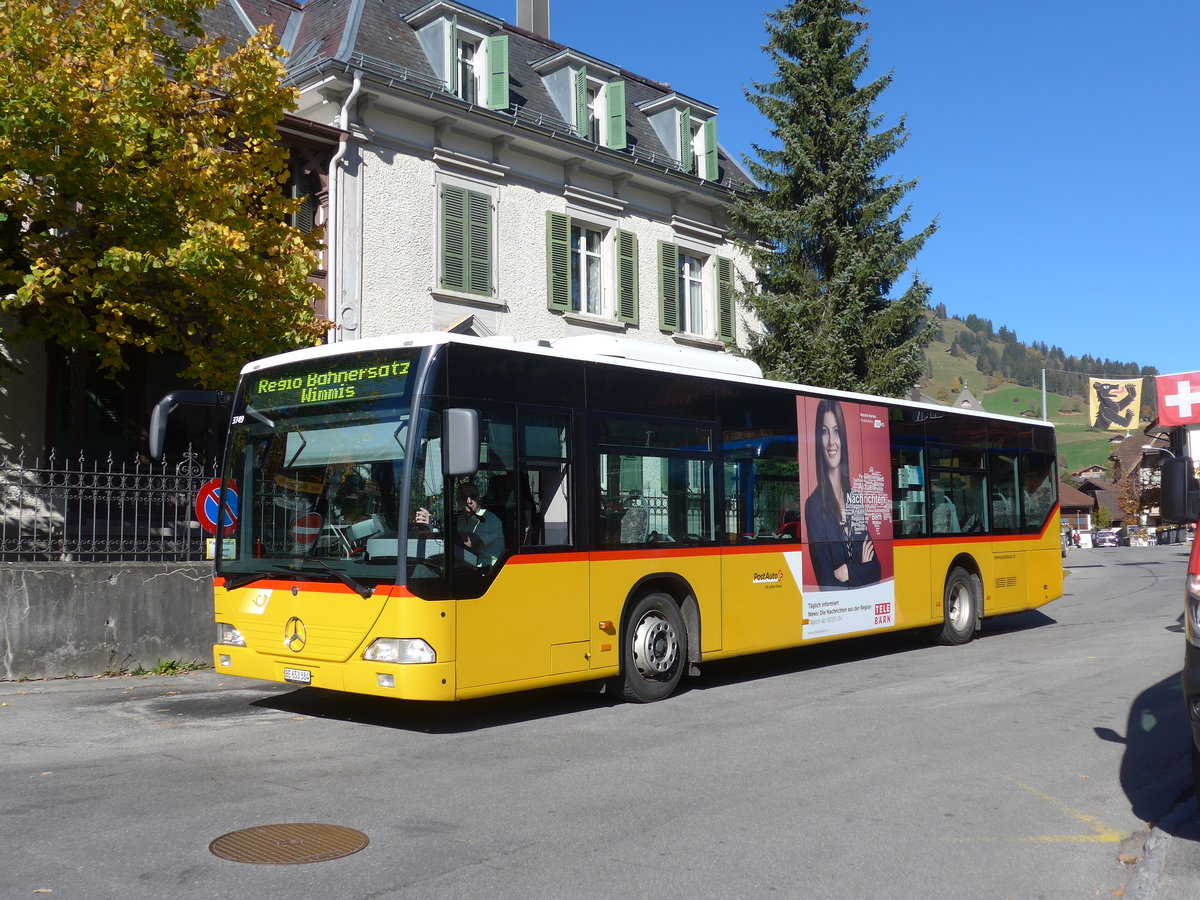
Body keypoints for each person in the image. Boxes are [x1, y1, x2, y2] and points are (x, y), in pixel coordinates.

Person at [804, 398, 880, 589]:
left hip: (860, 606)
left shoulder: (854, 499)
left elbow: (876, 568)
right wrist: (861, 569)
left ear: (843, 438)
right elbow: (826, 581)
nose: (831, 442)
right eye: (824, 432)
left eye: (836, 431)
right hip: (837, 610)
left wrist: (848, 571)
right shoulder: (813, 505)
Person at [416, 482, 504, 568]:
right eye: (464, 497)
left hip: (488, 572)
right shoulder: (458, 520)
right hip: (465, 567)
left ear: (478, 498)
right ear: (458, 501)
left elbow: (468, 543)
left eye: (472, 497)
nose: (469, 501)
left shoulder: (489, 519)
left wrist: (436, 524)